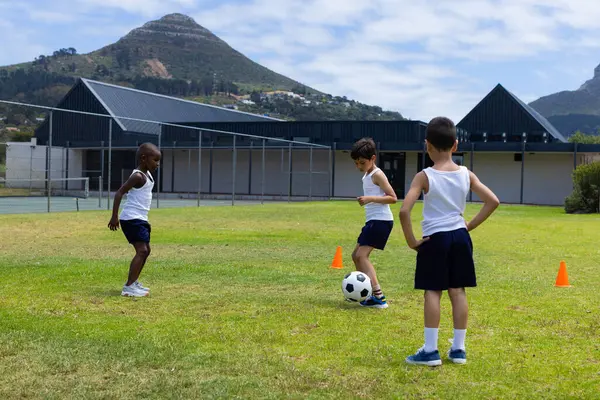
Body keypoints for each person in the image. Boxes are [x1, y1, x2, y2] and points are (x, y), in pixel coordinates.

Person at [399, 117, 499, 366]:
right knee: (458, 291)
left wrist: (412, 241)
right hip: (460, 238)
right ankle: (458, 349)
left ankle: (431, 351)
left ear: (427, 145)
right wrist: (468, 226)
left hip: (435, 239)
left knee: (433, 291)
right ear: (455, 145)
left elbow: (404, 211)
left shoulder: (424, 176)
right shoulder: (466, 174)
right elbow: (493, 201)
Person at [108, 142, 161, 297]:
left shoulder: (148, 174)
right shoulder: (137, 176)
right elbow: (119, 193)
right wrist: (114, 217)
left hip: (141, 218)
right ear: (144, 158)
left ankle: (134, 282)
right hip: (131, 219)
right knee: (142, 250)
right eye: (155, 160)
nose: (157, 164)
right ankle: (129, 287)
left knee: (146, 250)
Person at [350, 137, 397, 308]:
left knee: (362, 256)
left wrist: (369, 198)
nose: (359, 166)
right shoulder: (367, 174)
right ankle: (368, 293)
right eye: (356, 163)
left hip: (381, 221)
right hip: (373, 221)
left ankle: (379, 296)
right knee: (355, 256)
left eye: (362, 162)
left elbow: (393, 198)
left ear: (373, 159)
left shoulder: (377, 174)